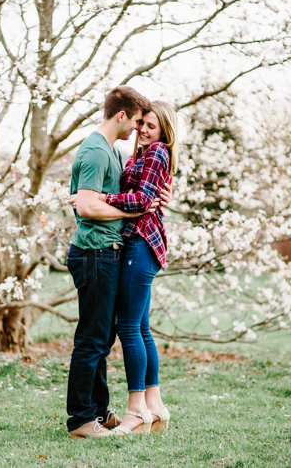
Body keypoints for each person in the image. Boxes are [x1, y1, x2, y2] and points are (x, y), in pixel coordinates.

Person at [65, 86, 161, 439]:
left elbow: (130, 193)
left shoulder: (110, 151)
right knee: (91, 339)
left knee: (101, 338)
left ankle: (99, 411)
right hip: (95, 253)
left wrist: (151, 198)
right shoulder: (95, 151)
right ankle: (80, 420)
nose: (138, 128)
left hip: (107, 252)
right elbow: (87, 206)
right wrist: (133, 209)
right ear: (122, 115)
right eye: (137, 121)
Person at [98, 101, 179, 435]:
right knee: (141, 328)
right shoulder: (142, 154)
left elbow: (142, 202)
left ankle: (136, 412)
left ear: (163, 130)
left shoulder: (157, 151)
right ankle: (155, 406)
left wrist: (102, 199)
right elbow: (147, 196)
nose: (143, 129)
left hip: (140, 243)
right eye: (142, 123)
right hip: (143, 243)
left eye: (151, 125)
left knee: (128, 327)